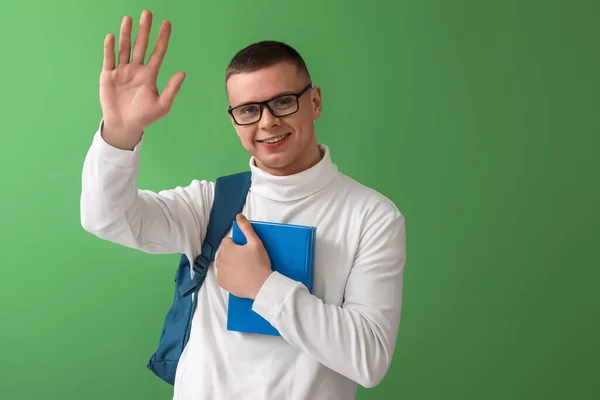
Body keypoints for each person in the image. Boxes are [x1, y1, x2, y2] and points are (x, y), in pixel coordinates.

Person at [80, 9, 407, 400]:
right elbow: (107, 219)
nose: (267, 122)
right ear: (234, 120)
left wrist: (262, 286)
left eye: (283, 101)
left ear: (315, 101)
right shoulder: (210, 203)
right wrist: (121, 130)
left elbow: (369, 359)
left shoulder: (373, 217)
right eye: (249, 110)